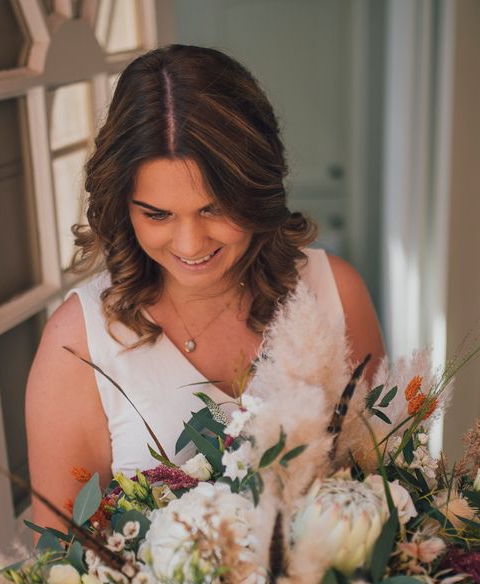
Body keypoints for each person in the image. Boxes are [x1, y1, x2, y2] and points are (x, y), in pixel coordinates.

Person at [26, 45, 384, 530]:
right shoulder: (77, 345)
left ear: (257, 190)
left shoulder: (334, 292)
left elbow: (390, 485)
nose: (191, 244)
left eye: (214, 208)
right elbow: (65, 558)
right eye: (157, 215)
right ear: (122, 206)